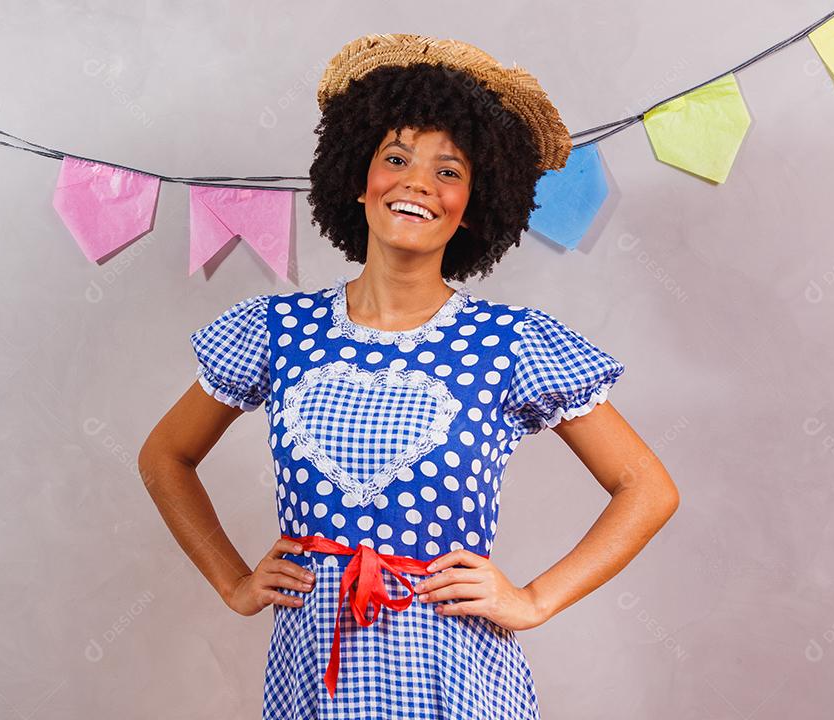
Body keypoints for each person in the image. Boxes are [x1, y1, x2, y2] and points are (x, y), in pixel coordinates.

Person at [139, 33, 679, 720]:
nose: (418, 183)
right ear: (355, 178)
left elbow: (647, 489)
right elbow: (166, 456)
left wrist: (534, 599)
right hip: (314, 680)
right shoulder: (275, 331)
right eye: (395, 158)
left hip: (458, 681)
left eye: (449, 171)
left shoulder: (509, 345)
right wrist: (233, 581)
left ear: (477, 203)